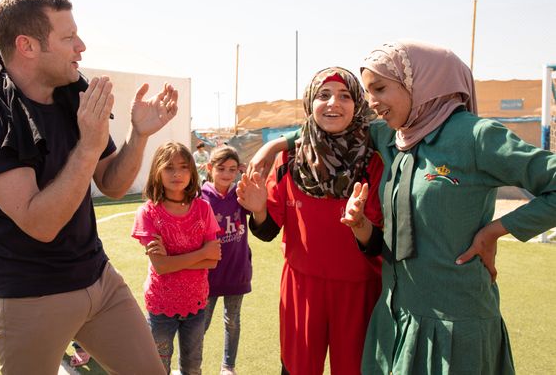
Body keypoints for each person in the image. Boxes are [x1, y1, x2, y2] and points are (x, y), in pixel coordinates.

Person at [251, 41, 556, 375]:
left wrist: (498, 230)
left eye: (379, 89)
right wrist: (273, 145)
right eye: (367, 92)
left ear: (419, 84)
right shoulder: (394, 135)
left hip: (455, 318)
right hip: (397, 313)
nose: (372, 103)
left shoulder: (474, 136)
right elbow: (329, 125)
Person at [0, 0, 178, 375]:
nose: (81, 46)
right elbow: (41, 224)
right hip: (31, 297)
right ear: (26, 45)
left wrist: (138, 135)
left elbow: (111, 183)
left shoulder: (73, 98)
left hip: (99, 280)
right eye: (68, 37)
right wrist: (88, 146)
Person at [236, 67, 384, 375]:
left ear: (358, 103)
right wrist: (260, 209)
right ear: (309, 103)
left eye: (344, 96)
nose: (333, 103)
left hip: (359, 290)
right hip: (301, 288)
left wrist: (359, 225)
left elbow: (378, 245)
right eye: (323, 95)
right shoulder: (289, 159)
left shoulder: (375, 159)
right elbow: (268, 230)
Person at [132, 142, 222, 375]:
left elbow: (214, 261)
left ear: (192, 171)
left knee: (192, 367)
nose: (177, 174)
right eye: (169, 167)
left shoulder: (203, 209)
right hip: (161, 305)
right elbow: (161, 267)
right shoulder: (149, 212)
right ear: (157, 172)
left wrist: (177, 260)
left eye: (183, 167)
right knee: (158, 367)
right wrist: (202, 253)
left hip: (197, 302)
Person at [200, 146, 252, 375]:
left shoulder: (242, 193)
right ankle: (190, 364)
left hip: (236, 271)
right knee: (199, 324)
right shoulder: (200, 196)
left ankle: (228, 366)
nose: (227, 174)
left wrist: (250, 177)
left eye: (232, 169)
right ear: (210, 168)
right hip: (207, 273)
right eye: (221, 169)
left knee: (232, 321)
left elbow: (260, 209)